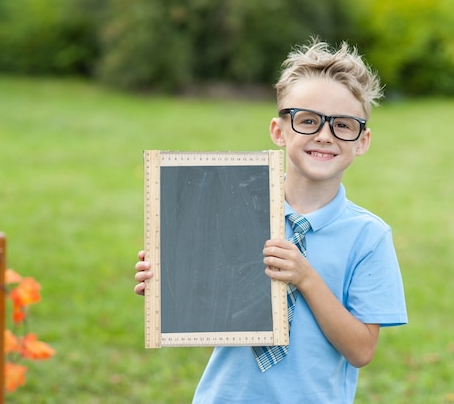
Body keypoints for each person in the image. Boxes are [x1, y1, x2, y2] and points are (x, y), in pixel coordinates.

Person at [134, 38, 407, 403]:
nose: (324, 135)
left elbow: (361, 351)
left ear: (362, 140)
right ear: (279, 131)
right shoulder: (233, 210)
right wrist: (171, 284)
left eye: (343, 125)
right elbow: (211, 305)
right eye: (308, 120)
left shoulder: (368, 237)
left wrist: (306, 277)